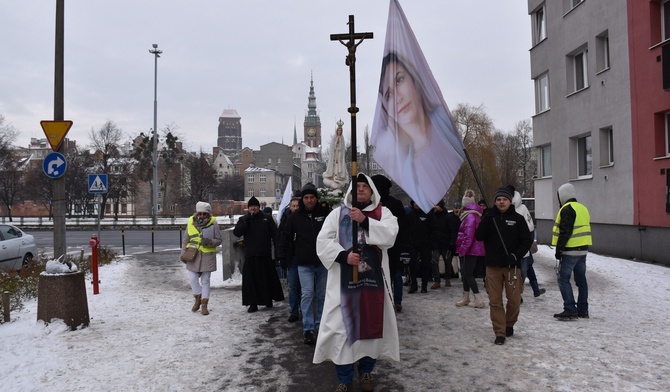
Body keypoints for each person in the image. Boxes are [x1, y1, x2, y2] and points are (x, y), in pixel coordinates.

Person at [314, 173, 399, 392]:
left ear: (372, 191)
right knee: (341, 330)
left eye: (364, 186)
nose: (360, 190)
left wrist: (365, 221)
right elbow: (323, 241)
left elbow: (390, 235)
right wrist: (343, 256)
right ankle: (344, 378)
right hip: (343, 285)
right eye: (357, 186)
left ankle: (366, 372)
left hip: (373, 285)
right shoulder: (337, 214)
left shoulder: (383, 213)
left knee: (370, 329)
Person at [371, 52, 464, 212]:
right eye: (388, 95)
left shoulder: (444, 128)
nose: (397, 98)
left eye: (399, 80)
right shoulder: (403, 164)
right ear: (386, 109)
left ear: (414, 79)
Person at [475, 185, 532, 345]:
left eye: (504, 199)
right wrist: (486, 218)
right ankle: (499, 332)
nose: (501, 202)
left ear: (510, 201)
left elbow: (527, 240)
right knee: (495, 301)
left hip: (512, 267)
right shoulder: (489, 217)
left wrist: (516, 255)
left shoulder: (518, 219)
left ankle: (509, 323)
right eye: (498, 200)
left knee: (514, 301)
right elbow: (479, 237)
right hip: (492, 267)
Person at [278, 183, 331, 345]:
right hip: (304, 264)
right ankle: (308, 329)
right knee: (307, 295)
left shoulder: (326, 214)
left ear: (316, 198)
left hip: (323, 262)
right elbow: (285, 237)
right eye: (306, 198)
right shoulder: (295, 217)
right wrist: (282, 257)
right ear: (303, 199)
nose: (309, 200)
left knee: (322, 295)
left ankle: (321, 325)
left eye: (312, 197)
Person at [233, 196, 284, 313]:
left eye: (255, 206)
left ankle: (267, 299)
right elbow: (237, 232)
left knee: (266, 279)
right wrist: (246, 223)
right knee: (251, 281)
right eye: (251, 206)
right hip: (250, 254)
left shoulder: (267, 218)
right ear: (248, 208)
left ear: (259, 207)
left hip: (264, 254)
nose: (253, 208)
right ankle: (253, 303)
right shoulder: (244, 219)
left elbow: (275, 236)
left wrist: (277, 253)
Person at [552, 183, 592, 320]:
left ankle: (570, 308)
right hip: (583, 250)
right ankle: (583, 310)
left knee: (563, 280)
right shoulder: (583, 208)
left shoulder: (567, 209)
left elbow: (565, 231)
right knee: (581, 281)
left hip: (570, 251)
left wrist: (559, 250)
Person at [372, 174, 408, 312]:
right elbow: (404, 227)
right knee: (394, 274)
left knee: (390, 274)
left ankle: (389, 300)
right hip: (394, 245)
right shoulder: (395, 203)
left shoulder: (378, 204)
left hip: (386, 245)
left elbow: (403, 226)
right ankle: (395, 301)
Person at [182, 201, 222, 316]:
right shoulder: (191, 221)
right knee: (192, 279)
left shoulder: (214, 223)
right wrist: (183, 253)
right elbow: (186, 240)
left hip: (207, 256)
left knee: (205, 281)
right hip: (193, 254)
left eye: (204, 214)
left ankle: (204, 304)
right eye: (200, 213)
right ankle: (197, 298)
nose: (202, 216)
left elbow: (219, 240)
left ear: (208, 214)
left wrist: (210, 241)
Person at [512, 191, 546, 299]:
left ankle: (520, 294)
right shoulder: (523, 208)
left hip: (520, 245)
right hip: (524, 245)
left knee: (522, 270)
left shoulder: (517, 210)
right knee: (527, 268)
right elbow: (531, 226)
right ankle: (534, 290)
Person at [455, 190, 486, 308]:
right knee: (466, 273)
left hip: (471, 249)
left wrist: (462, 250)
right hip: (472, 248)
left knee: (468, 273)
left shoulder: (470, 216)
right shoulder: (472, 214)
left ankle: (478, 299)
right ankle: (466, 297)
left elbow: (469, 235)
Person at [277, 196, 301, 322]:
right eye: (293, 206)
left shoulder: (304, 218)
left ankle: (303, 307)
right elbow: (281, 239)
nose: (295, 208)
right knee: (293, 285)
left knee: (305, 287)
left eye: (297, 206)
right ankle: (294, 310)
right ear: (290, 207)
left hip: (304, 257)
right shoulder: (285, 220)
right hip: (291, 258)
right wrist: (281, 256)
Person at [407, 200, 432, 293]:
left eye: (418, 202)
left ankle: (424, 285)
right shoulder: (410, 215)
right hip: (413, 244)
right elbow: (406, 229)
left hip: (426, 244)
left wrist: (432, 242)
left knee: (425, 265)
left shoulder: (428, 214)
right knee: (412, 264)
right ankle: (414, 285)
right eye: (415, 203)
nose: (416, 204)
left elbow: (433, 228)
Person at [323, 120, 349, 190]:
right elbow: (332, 147)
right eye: (338, 131)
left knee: (339, 167)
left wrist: (339, 146)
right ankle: (332, 176)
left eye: (340, 131)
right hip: (334, 155)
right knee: (334, 166)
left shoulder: (342, 139)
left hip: (340, 155)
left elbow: (343, 148)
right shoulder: (334, 138)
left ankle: (338, 177)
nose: (339, 132)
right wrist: (335, 144)